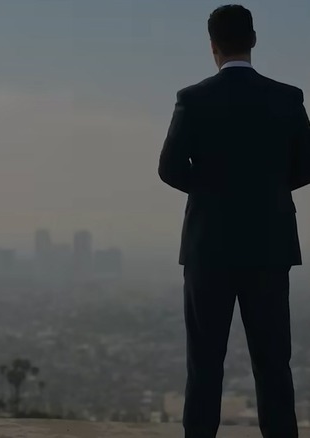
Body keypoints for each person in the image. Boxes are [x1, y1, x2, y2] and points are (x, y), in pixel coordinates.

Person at [159, 4, 310, 438]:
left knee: (204, 363)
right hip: (269, 246)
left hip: (209, 248)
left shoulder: (193, 98)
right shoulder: (287, 97)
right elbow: (306, 166)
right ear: (254, 40)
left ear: (213, 46)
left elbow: (169, 168)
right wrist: (267, 194)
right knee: (272, 362)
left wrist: (212, 192)